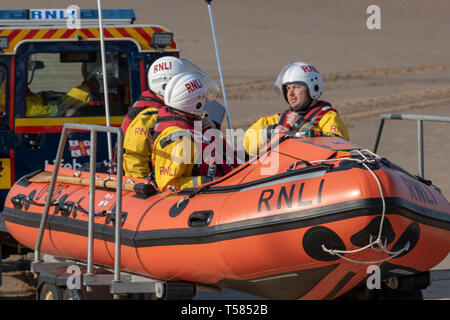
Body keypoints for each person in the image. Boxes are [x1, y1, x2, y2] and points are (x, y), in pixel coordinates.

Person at [152, 71, 235, 192]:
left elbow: (228, 157)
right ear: (196, 103)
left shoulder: (195, 124)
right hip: (204, 196)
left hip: (225, 186)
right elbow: (169, 186)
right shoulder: (179, 141)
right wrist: (209, 181)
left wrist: (211, 129)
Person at [244, 61, 349, 156]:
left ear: (313, 88)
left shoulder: (328, 118)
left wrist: (302, 125)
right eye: (288, 88)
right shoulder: (279, 119)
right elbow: (247, 142)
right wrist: (270, 131)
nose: (290, 93)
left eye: (296, 87)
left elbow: (337, 148)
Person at [121, 56, 189, 178]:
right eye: (181, 84)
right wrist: (143, 185)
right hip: (152, 185)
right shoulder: (148, 117)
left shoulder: (174, 110)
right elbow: (134, 158)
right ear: (166, 85)